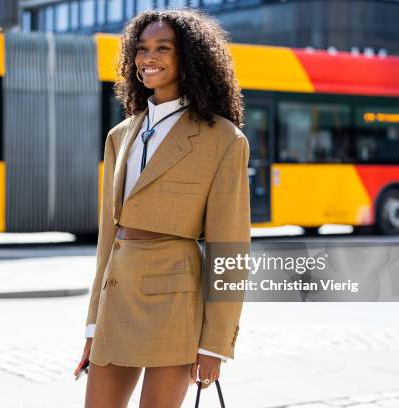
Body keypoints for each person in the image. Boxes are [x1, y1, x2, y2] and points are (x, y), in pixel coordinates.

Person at [81, 8, 250, 408]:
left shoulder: (223, 140)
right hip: (117, 298)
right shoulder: (120, 135)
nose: (148, 57)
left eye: (162, 48)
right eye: (141, 49)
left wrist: (215, 345)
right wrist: (92, 322)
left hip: (176, 303)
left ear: (188, 57)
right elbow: (108, 237)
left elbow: (231, 247)